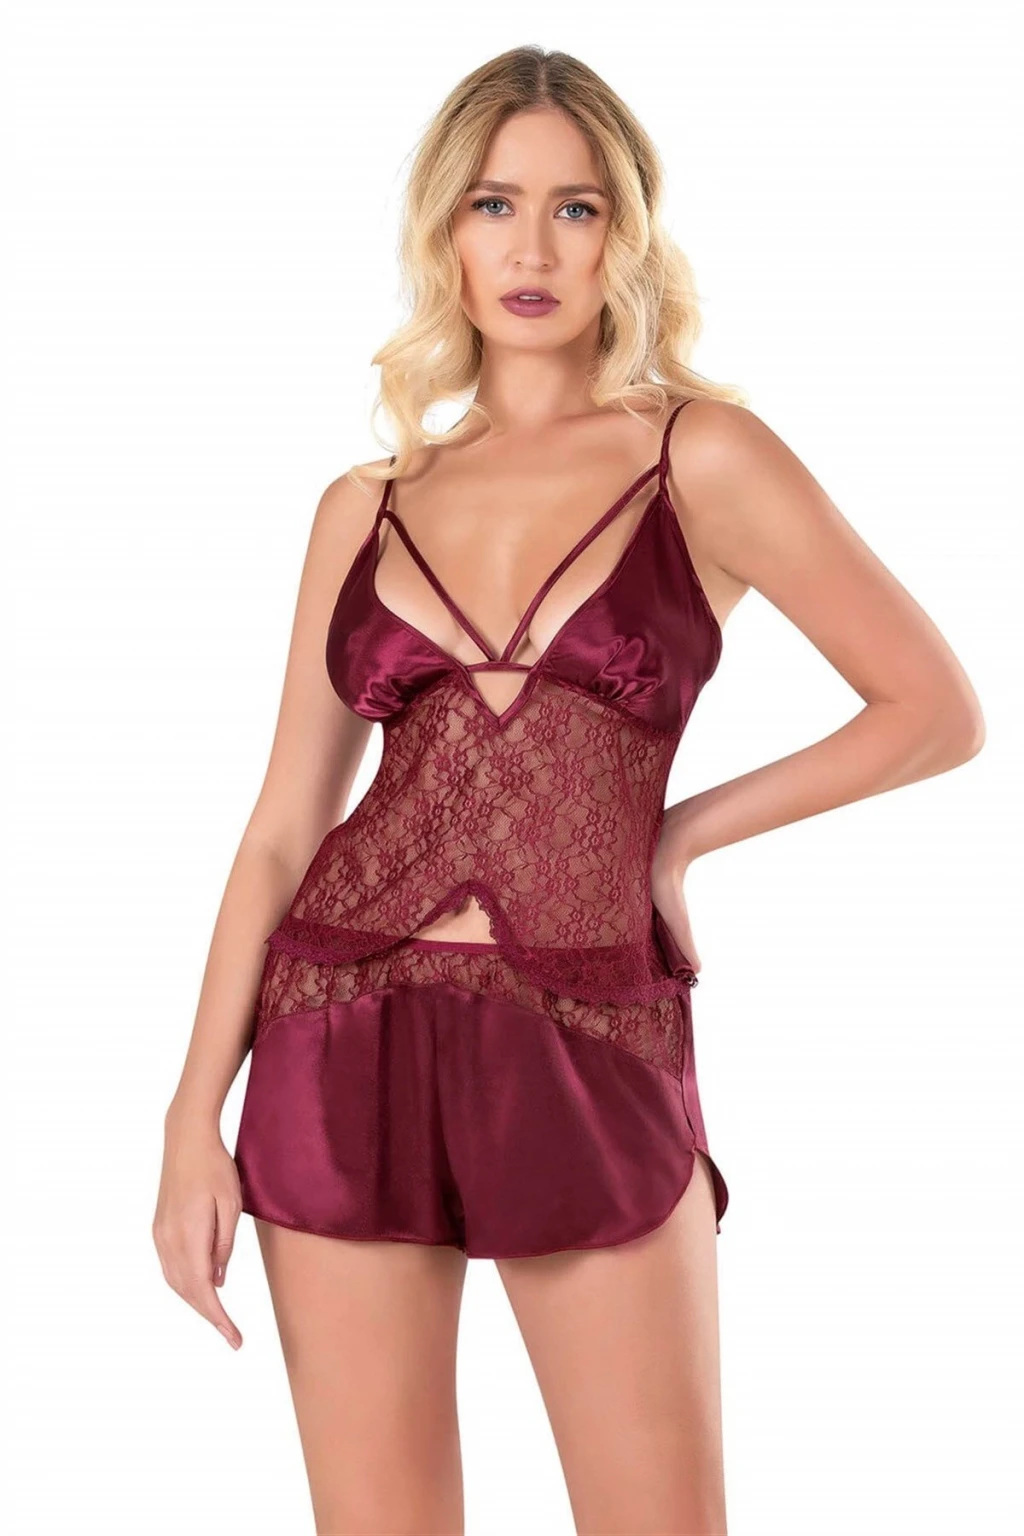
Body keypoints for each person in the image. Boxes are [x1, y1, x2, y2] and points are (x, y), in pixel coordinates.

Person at [152, 45, 985, 1536]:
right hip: (340, 1027)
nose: (531, 249)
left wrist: (680, 837)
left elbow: (934, 711)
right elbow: (282, 826)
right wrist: (186, 1117)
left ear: (627, 233)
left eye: (576, 208)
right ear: (445, 231)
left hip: (588, 1022)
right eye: (494, 205)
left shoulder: (700, 458)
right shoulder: (366, 505)